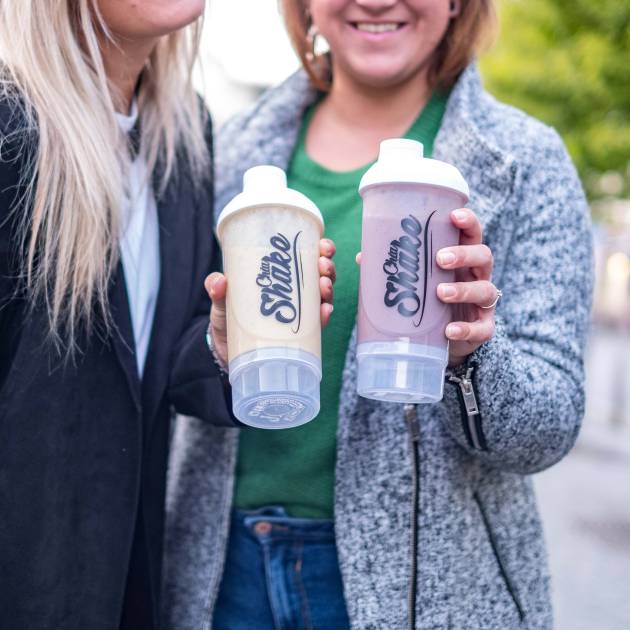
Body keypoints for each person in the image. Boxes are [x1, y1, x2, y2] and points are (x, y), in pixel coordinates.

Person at [163, 0, 593, 628]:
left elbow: (550, 427)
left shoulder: (524, 161)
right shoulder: (224, 149)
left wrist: (472, 355)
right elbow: (168, 362)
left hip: (431, 586)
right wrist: (218, 348)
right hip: (225, 573)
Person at [0, 2, 335, 628]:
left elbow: (162, 363)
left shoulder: (183, 131)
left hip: (122, 586)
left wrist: (226, 344)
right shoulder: (10, 125)